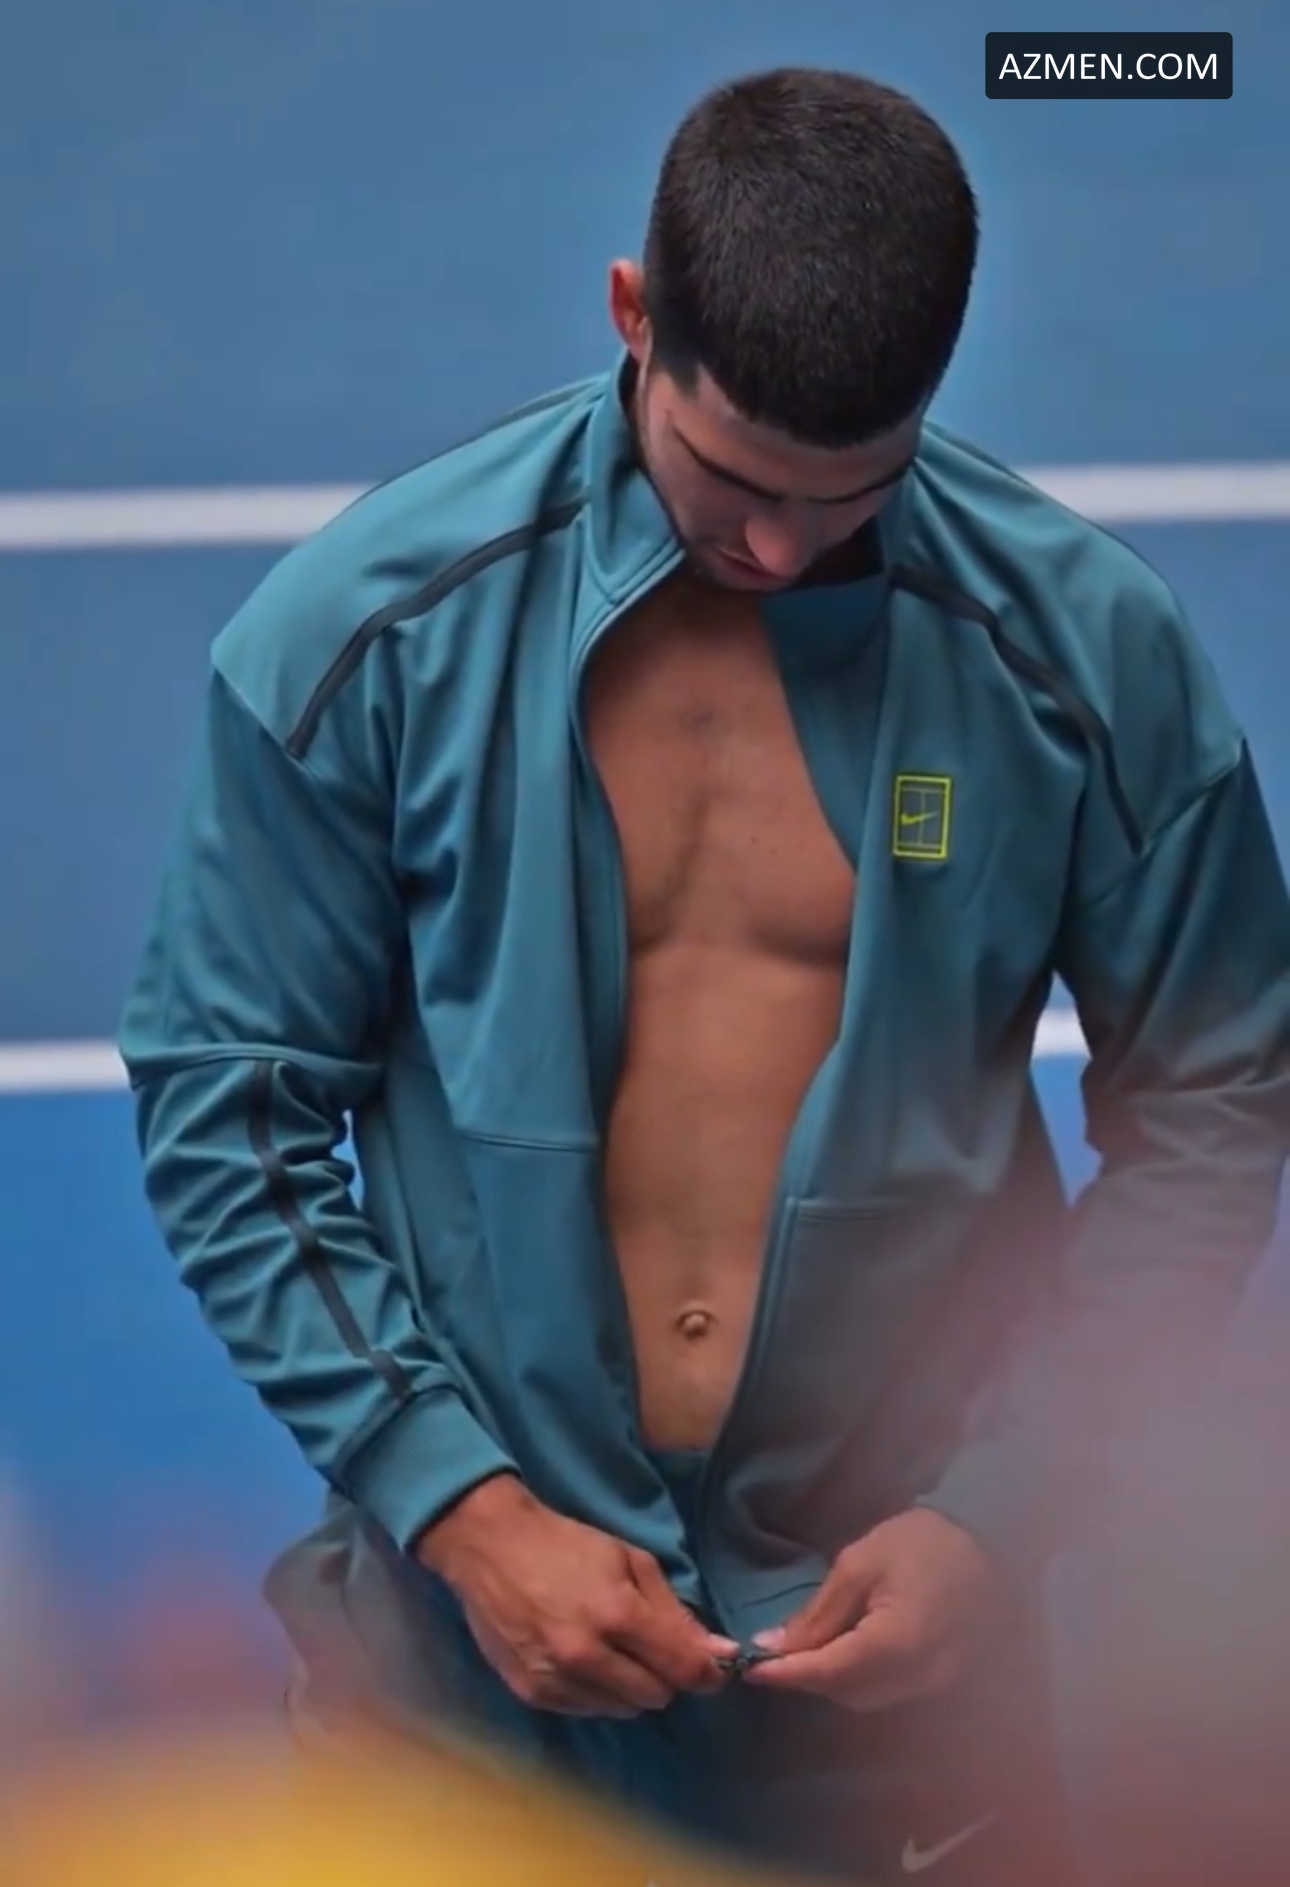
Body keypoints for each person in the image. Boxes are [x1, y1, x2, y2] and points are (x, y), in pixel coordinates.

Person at [118, 65, 1290, 1887]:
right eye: (731, 478)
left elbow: (1217, 1093)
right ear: (630, 316)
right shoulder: (364, 633)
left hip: (903, 1677)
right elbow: (230, 1105)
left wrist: (1003, 1509)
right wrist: (458, 1505)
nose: (776, 548)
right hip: (456, 1661)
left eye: (848, 493)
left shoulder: (1083, 657)